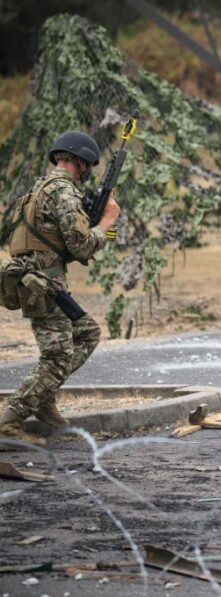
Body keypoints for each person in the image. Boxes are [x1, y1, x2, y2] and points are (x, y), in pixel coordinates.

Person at [0, 131, 120, 445]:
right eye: (88, 165)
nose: (89, 171)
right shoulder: (63, 192)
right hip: (44, 284)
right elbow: (80, 246)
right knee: (56, 357)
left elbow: (55, 241)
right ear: (78, 160)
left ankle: (43, 399)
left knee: (87, 332)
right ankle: (10, 419)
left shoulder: (41, 187)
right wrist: (106, 222)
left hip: (42, 281)